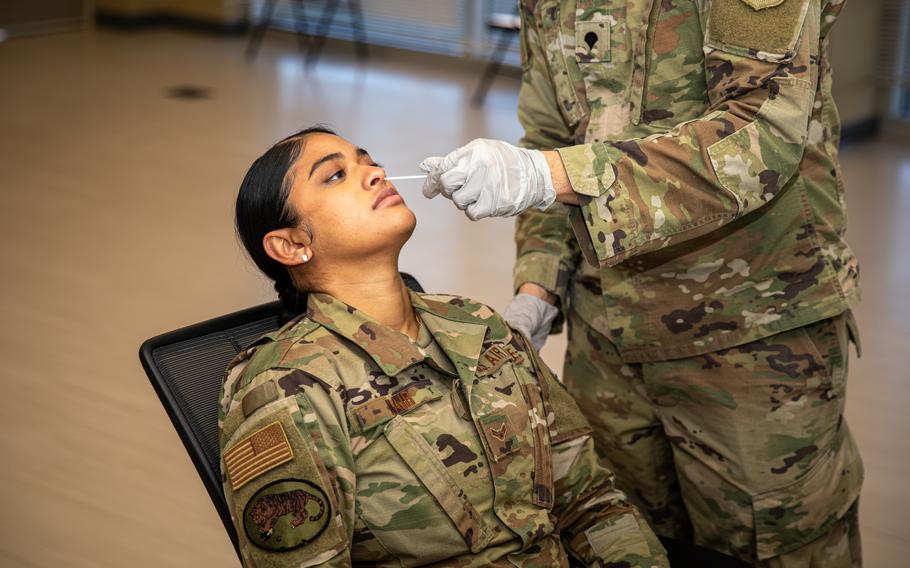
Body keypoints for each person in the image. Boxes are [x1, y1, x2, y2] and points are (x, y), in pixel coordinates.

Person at [419, 0, 863, 565]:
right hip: (607, 335)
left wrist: (553, 175)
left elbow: (762, 128)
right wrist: (539, 288)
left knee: (769, 547)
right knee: (621, 536)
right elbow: (551, 133)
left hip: (751, 333)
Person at [220, 126, 669, 567]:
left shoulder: (476, 322)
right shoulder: (287, 390)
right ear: (291, 244)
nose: (376, 173)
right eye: (335, 175)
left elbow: (591, 500)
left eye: (368, 160)